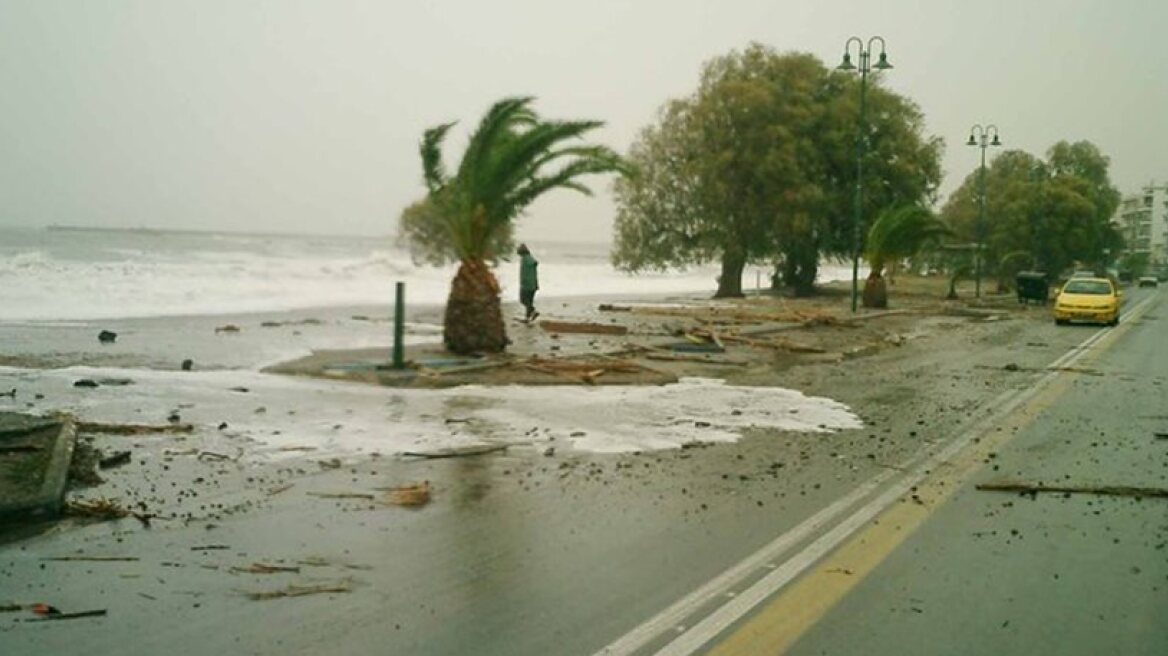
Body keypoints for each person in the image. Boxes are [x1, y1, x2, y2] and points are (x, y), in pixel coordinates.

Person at [517, 243, 539, 322]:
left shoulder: (526, 258)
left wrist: (523, 281)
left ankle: (533, 312)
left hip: (527, 285)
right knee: (529, 301)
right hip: (532, 284)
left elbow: (533, 263)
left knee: (523, 300)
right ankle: (528, 317)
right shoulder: (528, 258)